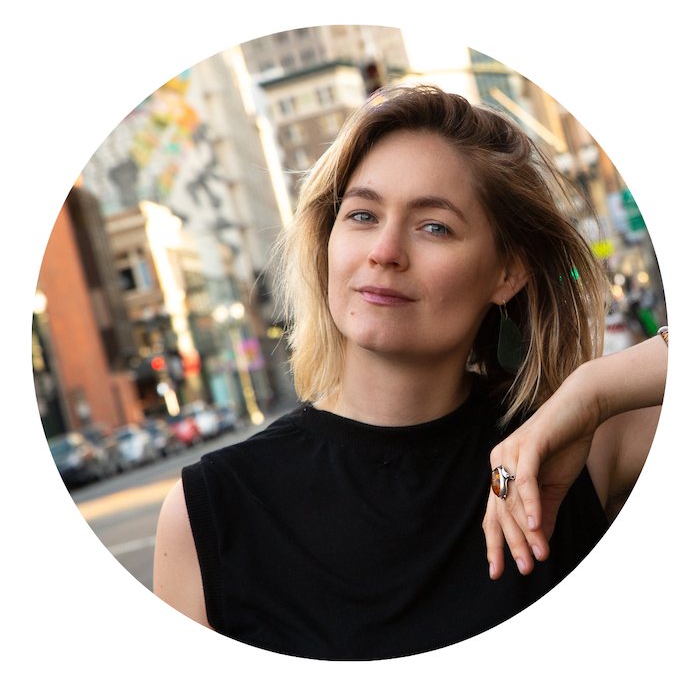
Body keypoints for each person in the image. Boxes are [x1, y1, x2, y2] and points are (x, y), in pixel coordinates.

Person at [153, 84, 666, 660]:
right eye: (363, 215)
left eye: (434, 227)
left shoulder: (579, 449)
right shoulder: (208, 514)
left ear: (508, 271)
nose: (385, 250)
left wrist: (594, 391)